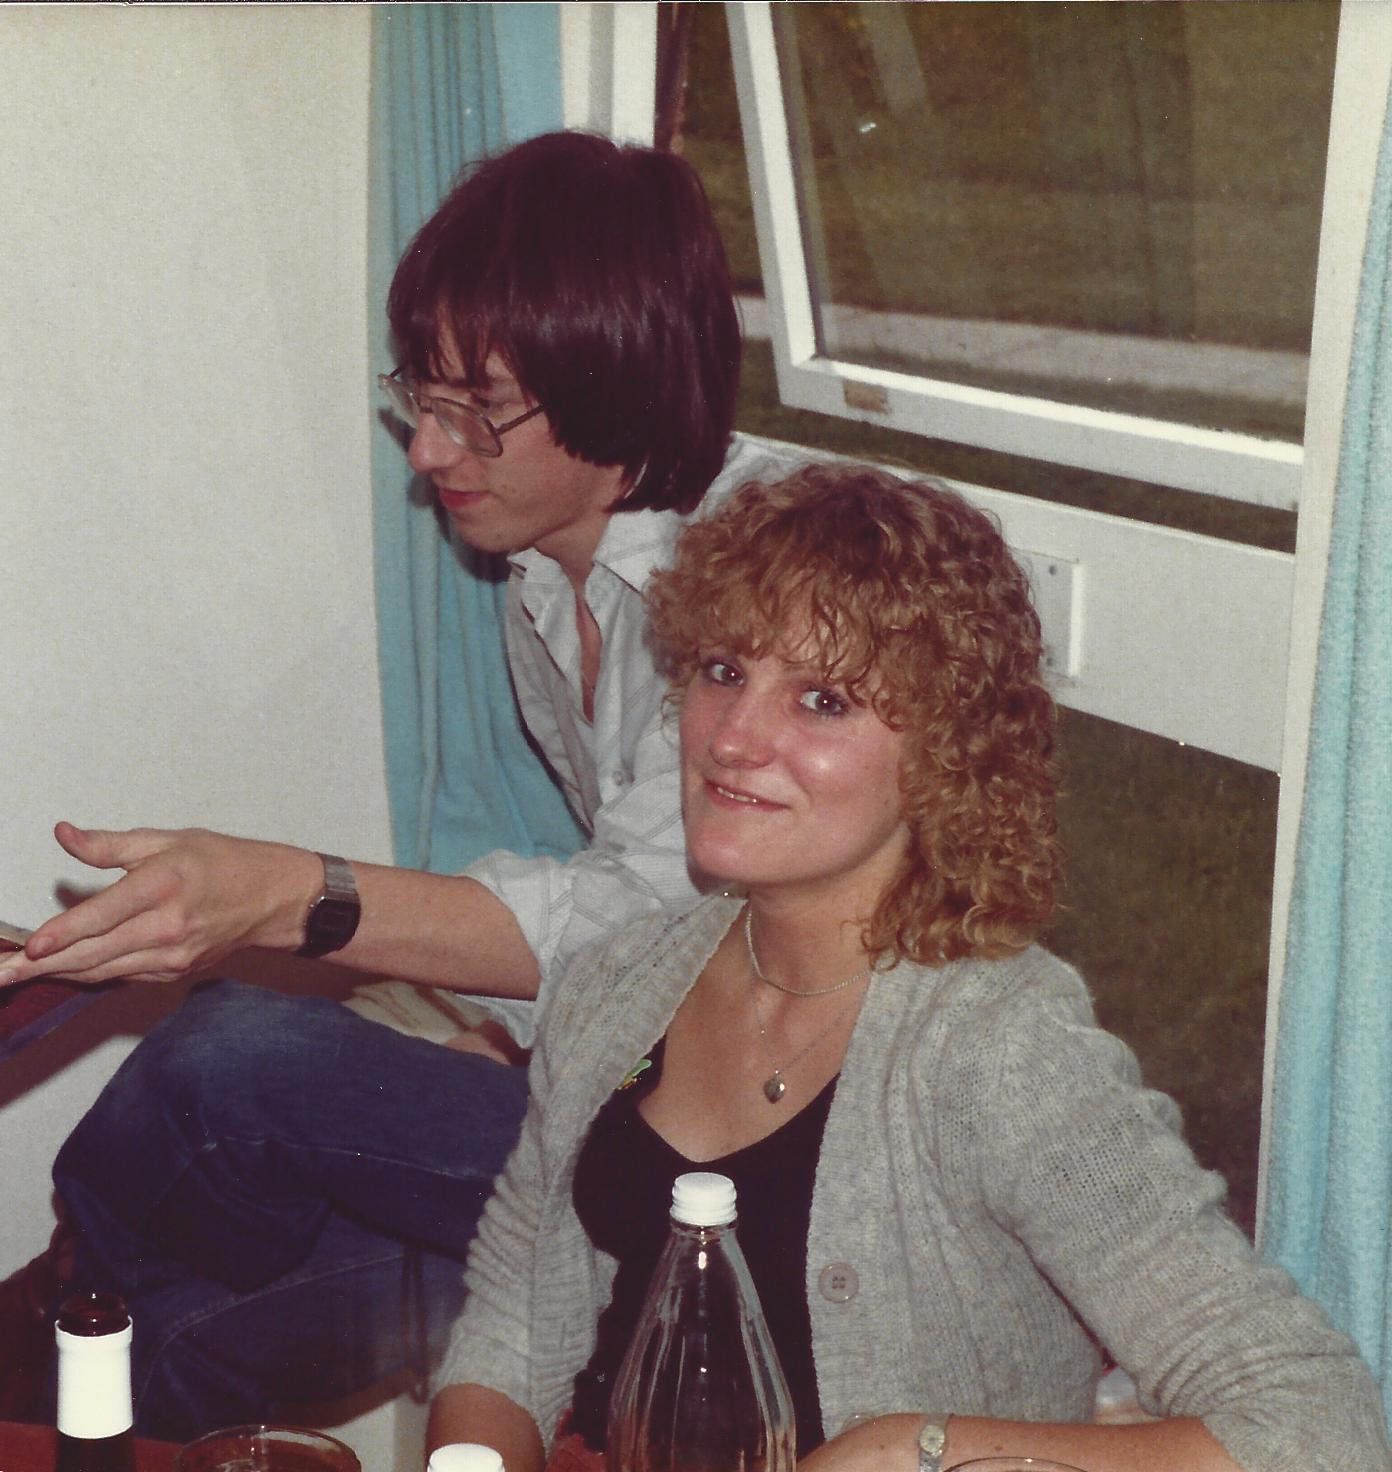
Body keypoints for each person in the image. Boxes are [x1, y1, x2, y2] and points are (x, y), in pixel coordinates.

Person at [0, 130, 804, 1438]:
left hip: (747, 1153)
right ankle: (92, 1297)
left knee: (226, 1055)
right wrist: (511, 1036)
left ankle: (69, 1285)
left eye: (479, 410)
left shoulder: (762, 579)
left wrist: (298, 896)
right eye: (421, 398)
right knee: (180, 1343)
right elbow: (645, 902)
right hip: (633, 1092)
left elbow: (651, 924)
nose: (429, 452)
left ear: (616, 373)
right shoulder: (545, 577)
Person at [427, 463, 1392, 1472]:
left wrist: (917, 1449)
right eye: (722, 670)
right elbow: (515, 1325)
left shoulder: (998, 1050)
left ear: (946, 754)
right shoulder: (616, 982)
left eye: (821, 699)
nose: (733, 738)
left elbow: (1316, 1424)